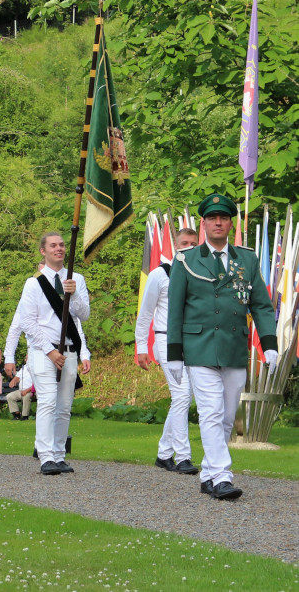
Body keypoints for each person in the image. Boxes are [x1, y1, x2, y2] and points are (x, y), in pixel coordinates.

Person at [168, 193, 277, 500]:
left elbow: (261, 305)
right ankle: (223, 476)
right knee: (212, 412)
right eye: (212, 218)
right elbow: (175, 308)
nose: (218, 222)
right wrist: (174, 353)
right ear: (203, 223)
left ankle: (208, 473)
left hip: (232, 346)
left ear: (231, 223)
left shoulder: (247, 258)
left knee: (227, 416)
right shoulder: (186, 260)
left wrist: (268, 342)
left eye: (224, 217)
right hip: (199, 346)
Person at [16, 232, 91, 475]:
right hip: (43, 351)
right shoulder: (33, 283)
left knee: (64, 405)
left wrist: (74, 293)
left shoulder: (75, 278)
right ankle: (45, 456)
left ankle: (59, 454)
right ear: (43, 251)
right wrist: (49, 350)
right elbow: (28, 321)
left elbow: (84, 314)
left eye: (61, 245)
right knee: (47, 401)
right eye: (53, 245)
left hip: (69, 350)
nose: (59, 249)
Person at [135, 228, 199, 475]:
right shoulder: (160, 274)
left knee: (184, 398)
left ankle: (164, 454)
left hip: (193, 341)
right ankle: (183, 457)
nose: (189, 247)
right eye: (185, 243)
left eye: (194, 243)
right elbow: (145, 314)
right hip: (165, 340)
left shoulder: (199, 275)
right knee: (182, 396)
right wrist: (141, 347)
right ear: (175, 245)